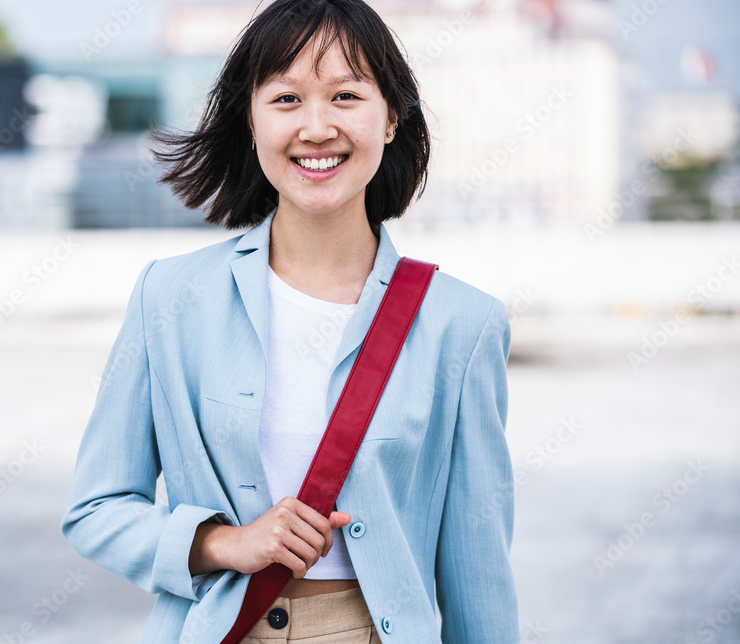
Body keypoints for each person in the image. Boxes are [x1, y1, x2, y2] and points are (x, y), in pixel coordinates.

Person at [61, 0, 520, 642]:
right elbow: (97, 509)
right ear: (250, 122)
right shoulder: (169, 297)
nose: (315, 126)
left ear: (390, 118)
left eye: (345, 96)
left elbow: (480, 579)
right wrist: (221, 543)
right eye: (285, 100)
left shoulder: (463, 325)